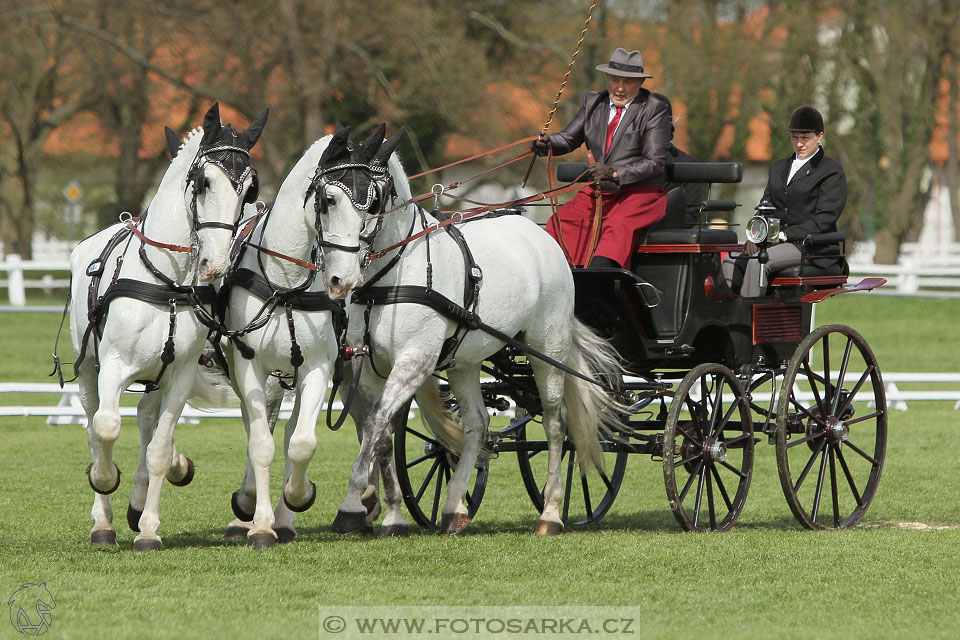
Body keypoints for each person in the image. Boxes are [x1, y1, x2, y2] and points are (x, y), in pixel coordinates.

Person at [531, 47, 672, 268]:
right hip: (601, 191)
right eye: (615, 80)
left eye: (627, 82)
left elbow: (655, 163)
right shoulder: (593, 102)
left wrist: (614, 172)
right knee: (562, 220)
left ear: (640, 83)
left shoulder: (654, 108)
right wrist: (547, 144)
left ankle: (604, 276)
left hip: (640, 192)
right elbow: (568, 138)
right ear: (607, 78)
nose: (620, 88)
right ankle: (564, 274)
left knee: (617, 226)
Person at [722, 105, 847, 297]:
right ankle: (726, 318)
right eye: (795, 138)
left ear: (819, 136)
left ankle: (748, 322)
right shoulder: (779, 168)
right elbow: (765, 206)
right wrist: (756, 236)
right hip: (774, 242)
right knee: (731, 261)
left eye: (805, 138)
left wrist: (783, 235)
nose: (799, 144)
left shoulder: (831, 171)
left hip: (811, 247)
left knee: (757, 262)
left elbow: (824, 219)